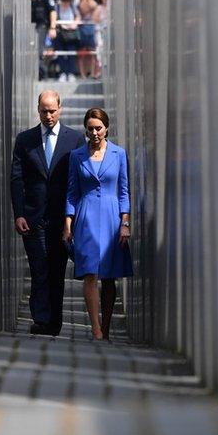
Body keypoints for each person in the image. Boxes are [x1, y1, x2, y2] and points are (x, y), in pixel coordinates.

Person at [11, 91, 86, 336]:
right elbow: (17, 179)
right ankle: (41, 319)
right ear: (38, 110)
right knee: (38, 268)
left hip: (62, 218)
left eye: (52, 110)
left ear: (60, 109)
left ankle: (55, 321)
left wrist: (74, 218)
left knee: (56, 270)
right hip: (34, 217)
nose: (48, 115)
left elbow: (78, 180)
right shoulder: (25, 140)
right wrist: (19, 213)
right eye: (44, 111)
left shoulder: (74, 140)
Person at [63, 108, 133, 341]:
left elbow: (123, 191)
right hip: (86, 217)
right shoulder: (77, 156)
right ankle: (96, 328)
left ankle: (107, 325)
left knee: (109, 275)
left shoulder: (119, 154)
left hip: (112, 217)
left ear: (106, 128)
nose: (94, 133)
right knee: (90, 273)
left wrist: (125, 222)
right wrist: (68, 223)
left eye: (98, 128)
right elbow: (71, 192)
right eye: (90, 128)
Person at [29, 0, 57, 80]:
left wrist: (53, 27)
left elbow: (52, 12)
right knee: (33, 51)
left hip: (42, 26)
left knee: (38, 51)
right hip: (31, 27)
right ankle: (38, 75)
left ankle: (43, 76)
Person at [53, 0, 81, 82]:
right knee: (61, 54)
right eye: (64, 1)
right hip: (60, 34)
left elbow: (78, 17)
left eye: (67, 1)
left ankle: (71, 73)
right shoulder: (57, 8)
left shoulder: (73, 7)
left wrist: (74, 24)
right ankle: (63, 73)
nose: (65, 3)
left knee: (71, 54)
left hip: (71, 34)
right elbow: (55, 18)